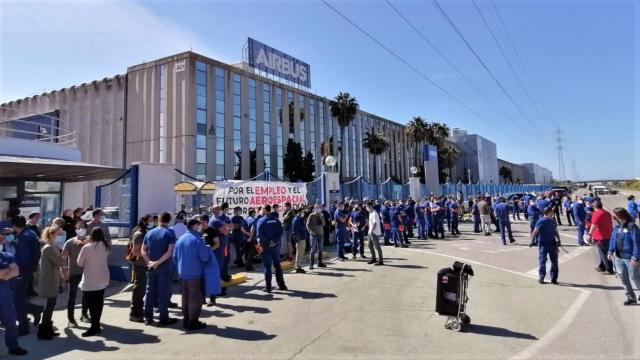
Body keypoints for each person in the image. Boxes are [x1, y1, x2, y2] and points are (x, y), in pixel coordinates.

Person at [173, 216, 210, 331]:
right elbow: (204, 257)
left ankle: (186, 320)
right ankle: (193, 322)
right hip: (195, 274)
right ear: (194, 226)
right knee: (195, 297)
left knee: (185, 297)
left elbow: (174, 258)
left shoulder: (180, 239)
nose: (200, 226)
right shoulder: (197, 239)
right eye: (199, 225)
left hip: (183, 274)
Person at [9, 215, 43, 336]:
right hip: (26, 272)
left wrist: (18, 272)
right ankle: (35, 310)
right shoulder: (29, 233)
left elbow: (25, 257)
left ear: (14, 225)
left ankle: (23, 327)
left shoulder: (25, 237)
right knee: (19, 298)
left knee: (17, 299)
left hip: (21, 272)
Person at [142, 211, 178, 326]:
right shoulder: (170, 233)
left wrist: (150, 262)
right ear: (169, 220)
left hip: (151, 267)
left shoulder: (150, 233)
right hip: (165, 267)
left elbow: (143, 250)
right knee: (164, 292)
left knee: (150, 291)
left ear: (158, 220)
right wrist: (158, 262)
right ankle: (163, 317)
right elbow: (170, 251)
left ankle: (148, 317)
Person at [76, 227, 110, 337]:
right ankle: (96, 325)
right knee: (99, 303)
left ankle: (94, 327)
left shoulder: (87, 247)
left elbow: (80, 263)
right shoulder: (106, 247)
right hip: (103, 278)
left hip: (90, 280)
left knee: (91, 305)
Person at [607, 208, 640, 305]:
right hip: (619, 257)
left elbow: (636, 242)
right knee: (623, 277)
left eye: (615, 215)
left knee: (635, 277)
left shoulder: (632, 227)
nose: (614, 217)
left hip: (631, 258)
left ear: (620, 216)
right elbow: (613, 240)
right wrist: (610, 251)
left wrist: (635, 257)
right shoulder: (617, 227)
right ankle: (631, 297)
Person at [0, 245, 28, 356]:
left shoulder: (7, 256)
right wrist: (8, 270)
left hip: (5, 297)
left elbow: (16, 271)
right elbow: (10, 271)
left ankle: (13, 347)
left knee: (11, 322)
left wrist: (3, 274)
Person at [62, 220, 89, 327]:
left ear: (86, 229)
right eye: (78, 227)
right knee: (72, 296)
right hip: (73, 273)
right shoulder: (69, 242)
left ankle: (84, 314)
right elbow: (64, 258)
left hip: (87, 273)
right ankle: (71, 319)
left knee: (86, 295)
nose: (80, 229)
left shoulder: (90, 241)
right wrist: (64, 271)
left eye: (82, 227)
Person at [37, 226, 63, 340]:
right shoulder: (49, 248)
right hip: (49, 280)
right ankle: (43, 331)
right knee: (50, 306)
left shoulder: (51, 247)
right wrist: (64, 255)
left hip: (52, 279)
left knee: (51, 305)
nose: (58, 236)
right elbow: (59, 261)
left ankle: (48, 329)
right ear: (51, 235)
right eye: (56, 234)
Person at [126, 214, 152, 323]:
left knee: (142, 289)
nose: (153, 222)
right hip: (140, 264)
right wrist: (147, 255)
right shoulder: (139, 233)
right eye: (151, 220)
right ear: (145, 222)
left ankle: (140, 310)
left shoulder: (146, 232)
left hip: (145, 264)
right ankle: (134, 313)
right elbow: (135, 251)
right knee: (139, 289)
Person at [256, 205, 287, 293]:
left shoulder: (261, 220)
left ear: (265, 210)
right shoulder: (276, 220)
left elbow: (259, 235)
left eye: (262, 209)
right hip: (275, 246)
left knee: (267, 266)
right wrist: (274, 241)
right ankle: (281, 285)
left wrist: (268, 242)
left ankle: (268, 287)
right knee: (277, 264)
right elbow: (281, 231)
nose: (261, 211)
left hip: (265, 247)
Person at [531, 207, 561, 285]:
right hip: (543, 244)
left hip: (552, 243)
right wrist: (532, 240)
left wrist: (559, 240)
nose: (553, 213)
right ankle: (541, 278)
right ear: (548, 212)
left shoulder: (552, 220)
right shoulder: (541, 221)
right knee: (543, 261)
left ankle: (554, 278)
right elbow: (535, 232)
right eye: (552, 212)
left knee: (554, 261)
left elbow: (555, 231)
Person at [587, 200, 614, 274]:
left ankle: (609, 269)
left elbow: (594, 225)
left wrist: (589, 234)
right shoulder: (607, 213)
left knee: (603, 253)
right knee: (604, 252)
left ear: (594, 206)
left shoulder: (596, 214)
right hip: (608, 235)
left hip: (600, 237)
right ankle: (602, 267)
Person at [307, 204, 326, 270]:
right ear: (314, 208)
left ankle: (319, 262)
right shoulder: (311, 215)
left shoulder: (322, 215)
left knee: (320, 249)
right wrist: (311, 232)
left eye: (319, 208)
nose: (318, 209)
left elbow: (324, 224)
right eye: (317, 208)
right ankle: (311, 264)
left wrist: (321, 217)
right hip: (313, 235)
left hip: (321, 234)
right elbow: (307, 225)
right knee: (313, 250)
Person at [366, 201, 384, 266]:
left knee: (377, 246)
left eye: (367, 206)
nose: (366, 207)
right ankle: (373, 258)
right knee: (369, 245)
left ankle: (381, 260)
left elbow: (375, 223)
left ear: (371, 206)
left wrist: (372, 231)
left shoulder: (374, 213)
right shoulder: (370, 213)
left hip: (374, 232)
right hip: (370, 231)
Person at [291, 209, 308, 273]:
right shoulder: (297, 220)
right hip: (300, 238)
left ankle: (298, 266)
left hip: (301, 237)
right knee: (299, 253)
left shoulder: (299, 219)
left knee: (300, 252)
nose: (303, 213)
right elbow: (298, 230)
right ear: (298, 212)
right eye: (302, 212)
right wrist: (298, 240)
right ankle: (298, 267)